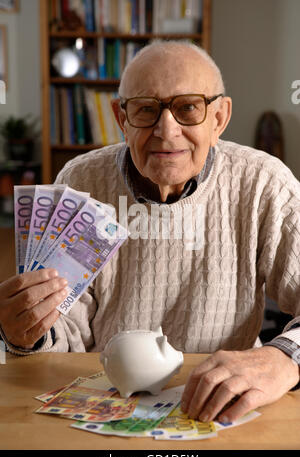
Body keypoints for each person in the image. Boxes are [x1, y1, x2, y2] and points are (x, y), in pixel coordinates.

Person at [0, 41, 299, 424]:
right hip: (106, 398)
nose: (165, 129)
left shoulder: (264, 183)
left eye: (188, 108)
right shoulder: (79, 180)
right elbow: (66, 329)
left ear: (219, 118)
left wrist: (284, 358)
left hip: (223, 406)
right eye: (146, 109)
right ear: (121, 118)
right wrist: (29, 332)